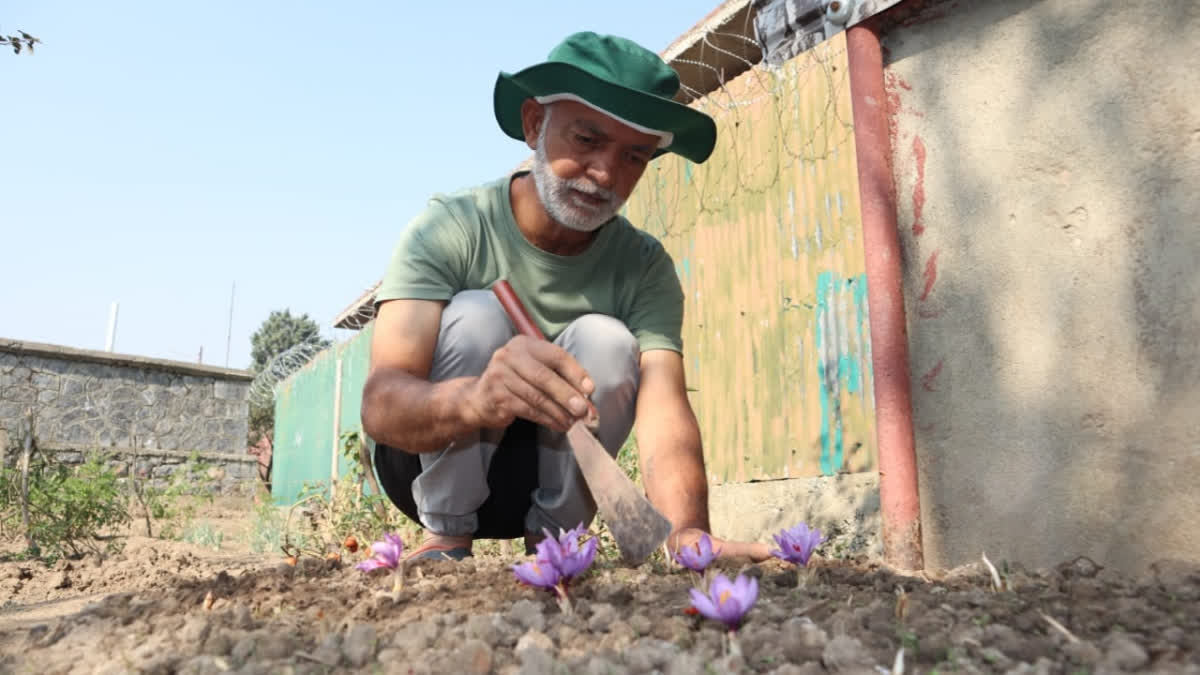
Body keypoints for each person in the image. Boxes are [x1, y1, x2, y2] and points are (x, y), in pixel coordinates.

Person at [361, 31, 770, 563]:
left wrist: (689, 533)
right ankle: (446, 541)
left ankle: (555, 547)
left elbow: (664, 403)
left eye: (634, 157)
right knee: (477, 314)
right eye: (586, 140)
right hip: (423, 461)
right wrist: (479, 398)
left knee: (608, 339)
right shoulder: (451, 229)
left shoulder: (643, 266)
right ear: (535, 124)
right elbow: (381, 404)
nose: (605, 174)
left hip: (539, 478)